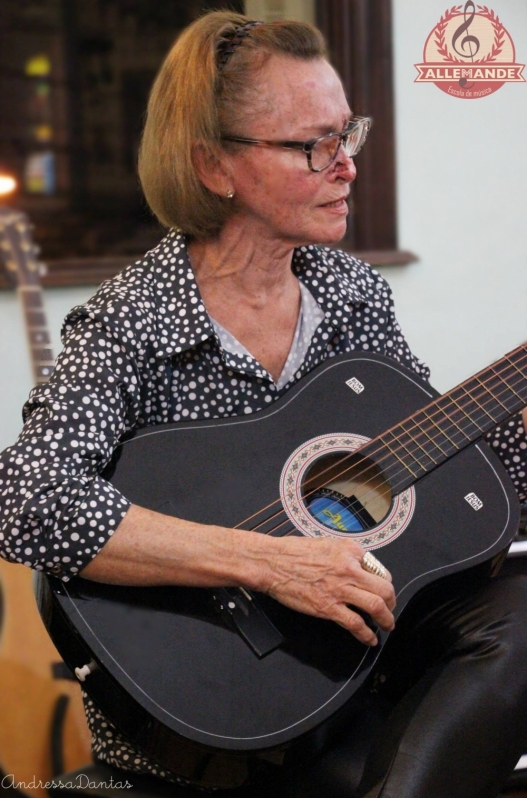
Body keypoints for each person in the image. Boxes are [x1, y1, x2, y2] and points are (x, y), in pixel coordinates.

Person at [1, 11, 527, 798]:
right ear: (215, 166)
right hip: (209, 711)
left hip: (352, 672)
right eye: (313, 146)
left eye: (347, 134)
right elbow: (26, 499)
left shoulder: (349, 293)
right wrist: (267, 560)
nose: (345, 167)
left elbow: (445, 487)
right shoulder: (134, 320)